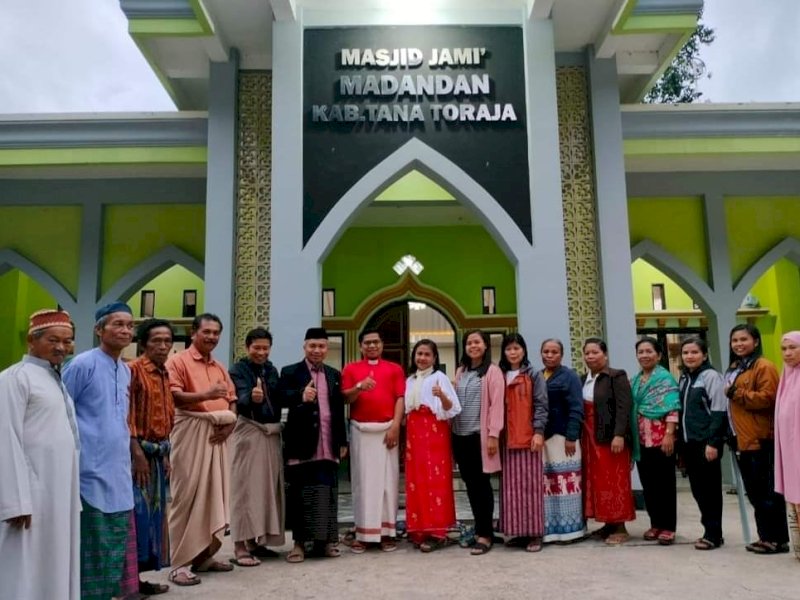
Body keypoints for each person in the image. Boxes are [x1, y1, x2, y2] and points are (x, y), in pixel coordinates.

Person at [0, 309, 80, 600]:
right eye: (53, 340)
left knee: (54, 561)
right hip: (30, 495)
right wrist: (14, 501)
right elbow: (5, 437)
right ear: (32, 341)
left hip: (58, 492)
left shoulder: (55, 379)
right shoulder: (15, 378)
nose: (61, 347)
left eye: (67, 341)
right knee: (24, 565)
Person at [63, 302, 137, 599]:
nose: (125, 330)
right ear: (99, 329)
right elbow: (61, 410)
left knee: (114, 544)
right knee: (92, 544)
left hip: (118, 471)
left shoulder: (126, 370)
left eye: (130, 325)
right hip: (87, 471)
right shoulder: (83, 364)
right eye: (118, 324)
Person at [166, 313, 237, 585]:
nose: (212, 337)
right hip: (190, 433)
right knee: (187, 495)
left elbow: (231, 398)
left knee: (213, 495)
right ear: (193, 332)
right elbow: (174, 396)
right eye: (206, 332)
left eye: (216, 333)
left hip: (218, 436)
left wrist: (230, 423)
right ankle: (179, 563)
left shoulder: (219, 366)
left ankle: (203, 556)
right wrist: (206, 396)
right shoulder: (178, 361)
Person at [280, 327, 347, 563]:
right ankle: (299, 544)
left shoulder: (333, 374)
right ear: (304, 347)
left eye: (321, 346)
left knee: (326, 493)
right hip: (301, 443)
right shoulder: (290, 371)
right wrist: (300, 395)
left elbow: (338, 410)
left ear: (327, 348)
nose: (317, 350)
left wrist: (342, 440)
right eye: (312, 346)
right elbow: (280, 397)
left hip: (328, 442)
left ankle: (325, 542)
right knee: (301, 494)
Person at [724, 324, 789, 554]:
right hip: (742, 439)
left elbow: (768, 399)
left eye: (744, 339)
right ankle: (765, 537)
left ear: (756, 342)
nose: (738, 344)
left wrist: (736, 393)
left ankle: (777, 539)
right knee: (755, 492)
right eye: (735, 340)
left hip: (761, 438)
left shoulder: (763, 366)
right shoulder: (736, 368)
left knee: (768, 493)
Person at [341, 329, 405, 553]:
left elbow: (400, 398)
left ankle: (386, 534)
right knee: (363, 484)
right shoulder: (351, 369)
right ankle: (364, 534)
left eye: (375, 342)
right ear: (360, 346)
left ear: (382, 344)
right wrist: (359, 387)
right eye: (367, 343)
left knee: (388, 483)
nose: (371, 346)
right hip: (361, 431)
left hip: (387, 432)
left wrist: (395, 427)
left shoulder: (394, 369)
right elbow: (345, 398)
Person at [228, 327, 285, 566]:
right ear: (247, 347)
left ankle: (255, 542)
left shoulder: (271, 370)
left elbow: (280, 397)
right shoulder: (237, 370)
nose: (261, 352)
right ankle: (240, 546)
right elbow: (237, 398)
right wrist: (251, 397)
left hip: (270, 434)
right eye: (256, 348)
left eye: (265, 348)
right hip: (248, 433)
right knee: (243, 490)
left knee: (264, 490)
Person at [128, 319, 176, 596]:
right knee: (137, 517)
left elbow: (165, 416)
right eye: (156, 340)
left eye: (167, 341)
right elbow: (128, 414)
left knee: (153, 520)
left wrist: (165, 454)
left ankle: (137, 579)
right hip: (139, 457)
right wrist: (136, 452)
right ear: (143, 343)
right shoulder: (134, 370)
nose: (163, 346)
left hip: (158, 455)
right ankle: (126, 582)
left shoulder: (164, 372)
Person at [404, 339, 461, 552]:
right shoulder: (410, 380)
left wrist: (442, 395)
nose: (422, 358)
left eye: (427, 354)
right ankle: (419, 529)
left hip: (435, 430)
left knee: (435, 479)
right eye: (419, 354)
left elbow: (452, 408)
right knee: (416, 479)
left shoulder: (439, 377)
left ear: (434, 358)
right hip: (414, 432)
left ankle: (438, 531)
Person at [452, 329, 505, 555]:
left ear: (485, 346)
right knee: (471, 486)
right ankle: (479, 528)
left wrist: (493, 434)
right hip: (459, 436)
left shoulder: (492, 372)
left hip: (479, 436)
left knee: (482, 486)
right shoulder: (461, 371)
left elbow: (497, 405)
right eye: (469, 343)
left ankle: (485, 535)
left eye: (477, 342)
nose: (473, 346)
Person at [580, 337, 635, 545]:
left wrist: (619, 434)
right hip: (589, 436)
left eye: (595, 352)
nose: (590, 356)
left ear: (605, 354)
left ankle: (620, 526)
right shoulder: (582, 379)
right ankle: (608, 523)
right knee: (598, 481)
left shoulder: (616, 376)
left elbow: (624, 407)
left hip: (610, 438)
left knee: (614, 480)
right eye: (587, 353)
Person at [498, 333, 548, 552]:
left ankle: (535, 534)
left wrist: (538, 432)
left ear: (524, 350)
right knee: (510, 489)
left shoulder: (533, 375)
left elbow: (541, 404)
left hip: (528, 438)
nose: (513, 352)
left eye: (516, 348)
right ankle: (518, 531)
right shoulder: (499, 374)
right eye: (509, 349)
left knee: (530, 487)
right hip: (505, 439)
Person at [678, 336, 728, 550]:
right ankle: (709, 529)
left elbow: (719, 410)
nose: (689, 356)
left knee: (710, 491)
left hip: (706, 443)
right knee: (698, 490)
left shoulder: (711, 376)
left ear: (704, 355)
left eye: (694, 352)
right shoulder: (684, 378)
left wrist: (713, 442)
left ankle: (713, 535)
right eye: (685, 352)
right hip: (689, 443)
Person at [630, 337, 681, 545]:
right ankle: (655, 523)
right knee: (649, 484)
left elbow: (673, 407)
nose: (644, 355)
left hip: (662, 440)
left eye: (649, 351)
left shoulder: (665, 379)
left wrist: (669, 434)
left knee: (665, 484)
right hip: (641, 441)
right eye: (640, 352)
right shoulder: (635, 380)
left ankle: (668, 527)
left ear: (658, 355)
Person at [539, 338, 585, 543]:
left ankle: (571, 531)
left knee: (566, 484)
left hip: (563, 438)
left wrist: (571, 436)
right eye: (546, 351)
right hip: (544, 438)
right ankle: (550, 530)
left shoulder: (569, 376)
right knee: (548, 486)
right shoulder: (538, 375)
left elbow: (576, 408)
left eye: (554, 352)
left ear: (562, 355)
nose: (549, 355)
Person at [775, 331, 800, 561]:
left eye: (793, 347)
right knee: (794, 498)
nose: (788, 353)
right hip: (790, 450)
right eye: (784, 349)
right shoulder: (786, 377)